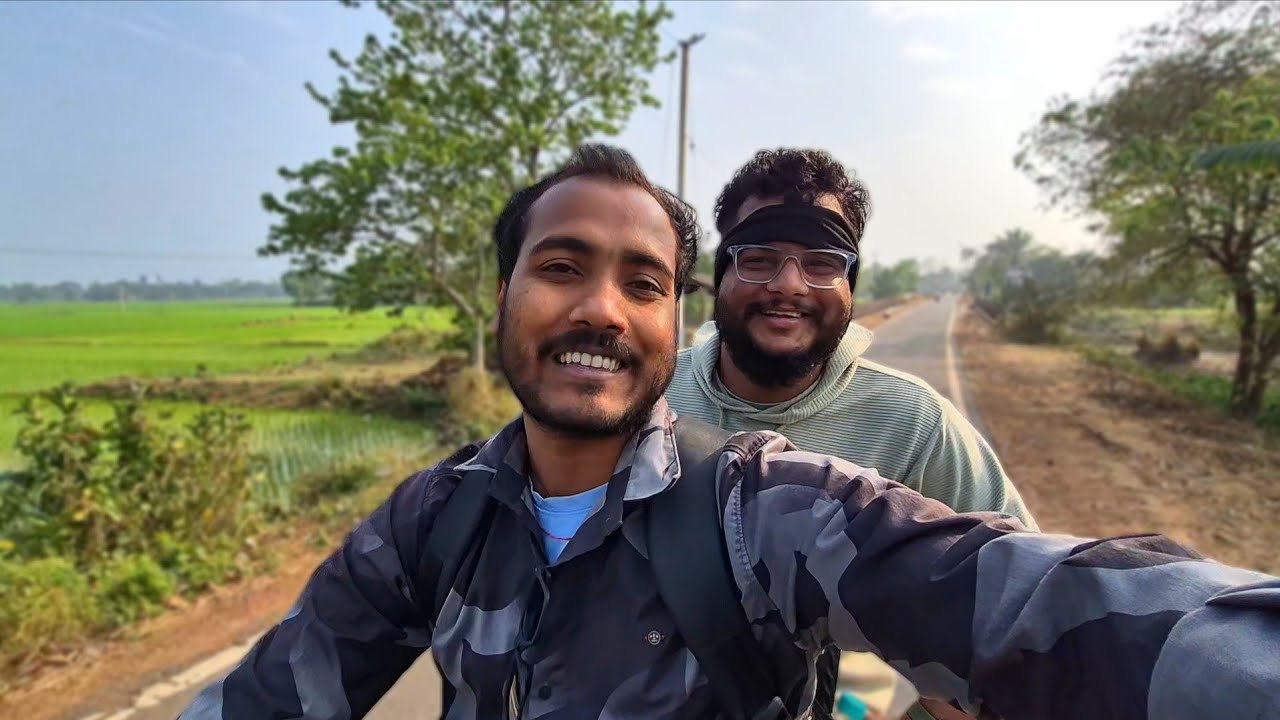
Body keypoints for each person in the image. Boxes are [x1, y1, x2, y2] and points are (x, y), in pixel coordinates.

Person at [180, 144, 1279, 720]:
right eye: (559, 268)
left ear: (667, 317)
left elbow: (1046, 605)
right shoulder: (432, 518)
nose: (600, 310)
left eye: (638, 281)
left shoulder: (774, 498)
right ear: (501, 297)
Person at [665, 149, 1034, 720]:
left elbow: (1020, 601)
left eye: (821, 262)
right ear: (723, 275)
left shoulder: (914, 423)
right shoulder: (653, 397)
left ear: (850, 284)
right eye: (759, 258)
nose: (789, 285)